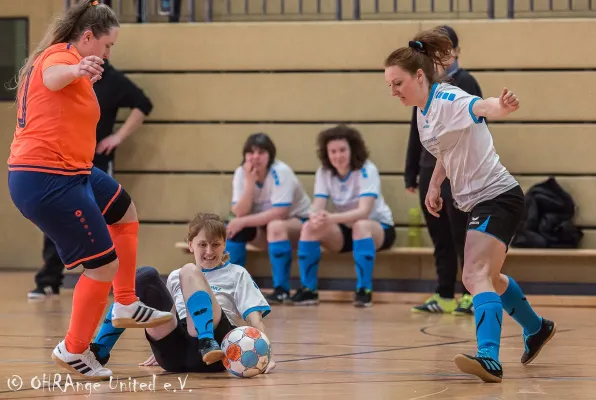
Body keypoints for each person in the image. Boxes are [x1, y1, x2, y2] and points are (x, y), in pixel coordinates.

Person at [7, 0, 173, 379]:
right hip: (45, 179)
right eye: (107, 45)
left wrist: (81, 72)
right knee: (102, 266)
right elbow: (52, 77)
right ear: (87, 37)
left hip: (74, 171)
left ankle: (126, 303)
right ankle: (73, 349)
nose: (109, 52)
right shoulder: (58, 57)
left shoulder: (75, 63)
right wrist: (77, 68)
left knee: (124, 211)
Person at [383, 27, 556, 383]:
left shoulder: (448, 99)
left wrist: (501, 107)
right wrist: (434, 185)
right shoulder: (422, 111)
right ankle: (536, 328)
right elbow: (446, 150)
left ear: (419, 76)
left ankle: (489, 358)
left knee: (473, 275)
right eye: (389, 85)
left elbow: (481, 107)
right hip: (478, 200)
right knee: (488, 277)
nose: (393, 90)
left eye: (398, 83)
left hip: (498, 197)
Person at [27, 58, 153, 300]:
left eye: (109, 46)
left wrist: (117, 137)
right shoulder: (67, 73)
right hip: (62, 161)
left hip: (94, 163)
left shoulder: (112, 79)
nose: (105, 50)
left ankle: (108, 280)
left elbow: (143, 103)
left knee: (105, 220)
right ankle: (49, 279)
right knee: (57, 218)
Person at [90, 212, 276, 374]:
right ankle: (99, 351)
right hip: (174, 357)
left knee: (189, 270)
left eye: (216, 244)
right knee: (144, 276)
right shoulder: (174, 277)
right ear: (190, 245)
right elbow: (163, 315)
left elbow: (254, 319)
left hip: (217, 351)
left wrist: (266, 354)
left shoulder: (237, 273)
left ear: (224, 244)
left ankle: (206, 341)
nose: (209, 251)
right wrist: (158, 347)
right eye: (202, 244)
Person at [406, 25, 481, 316]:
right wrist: (410, 170)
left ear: (456, 51)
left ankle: (470, 293)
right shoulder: (423, 84)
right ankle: (445, 293)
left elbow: (475, 128)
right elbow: (416, 131)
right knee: (440, 237)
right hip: (429, 171)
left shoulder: (466, 82)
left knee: (463, 235)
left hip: (458, 173)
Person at [292, 125, 396, 308]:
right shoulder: (324, 172)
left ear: (352, 150)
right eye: (333, 151)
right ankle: (308, 290)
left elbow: (364, 211)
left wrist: (330, 218)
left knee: (361, 225)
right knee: (309, 227)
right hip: (345, 229)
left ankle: (364, 290)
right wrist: (314, 215)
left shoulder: (367, 170)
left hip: (378, 228)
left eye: (342, 150)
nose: (337, 156)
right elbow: (318, 202)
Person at [225, 133, 311, 304]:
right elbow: (239, 213)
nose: (255, 157)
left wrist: (242, 221)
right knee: (234, 230)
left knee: (275, 226)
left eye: (261, 152)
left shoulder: (281, 172)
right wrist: (250, 183)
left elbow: (280, 212)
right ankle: (233, 289)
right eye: (251, 152)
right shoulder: (241, 173)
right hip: (265, 227)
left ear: (270, 155)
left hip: (299, 224)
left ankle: (282, 290)